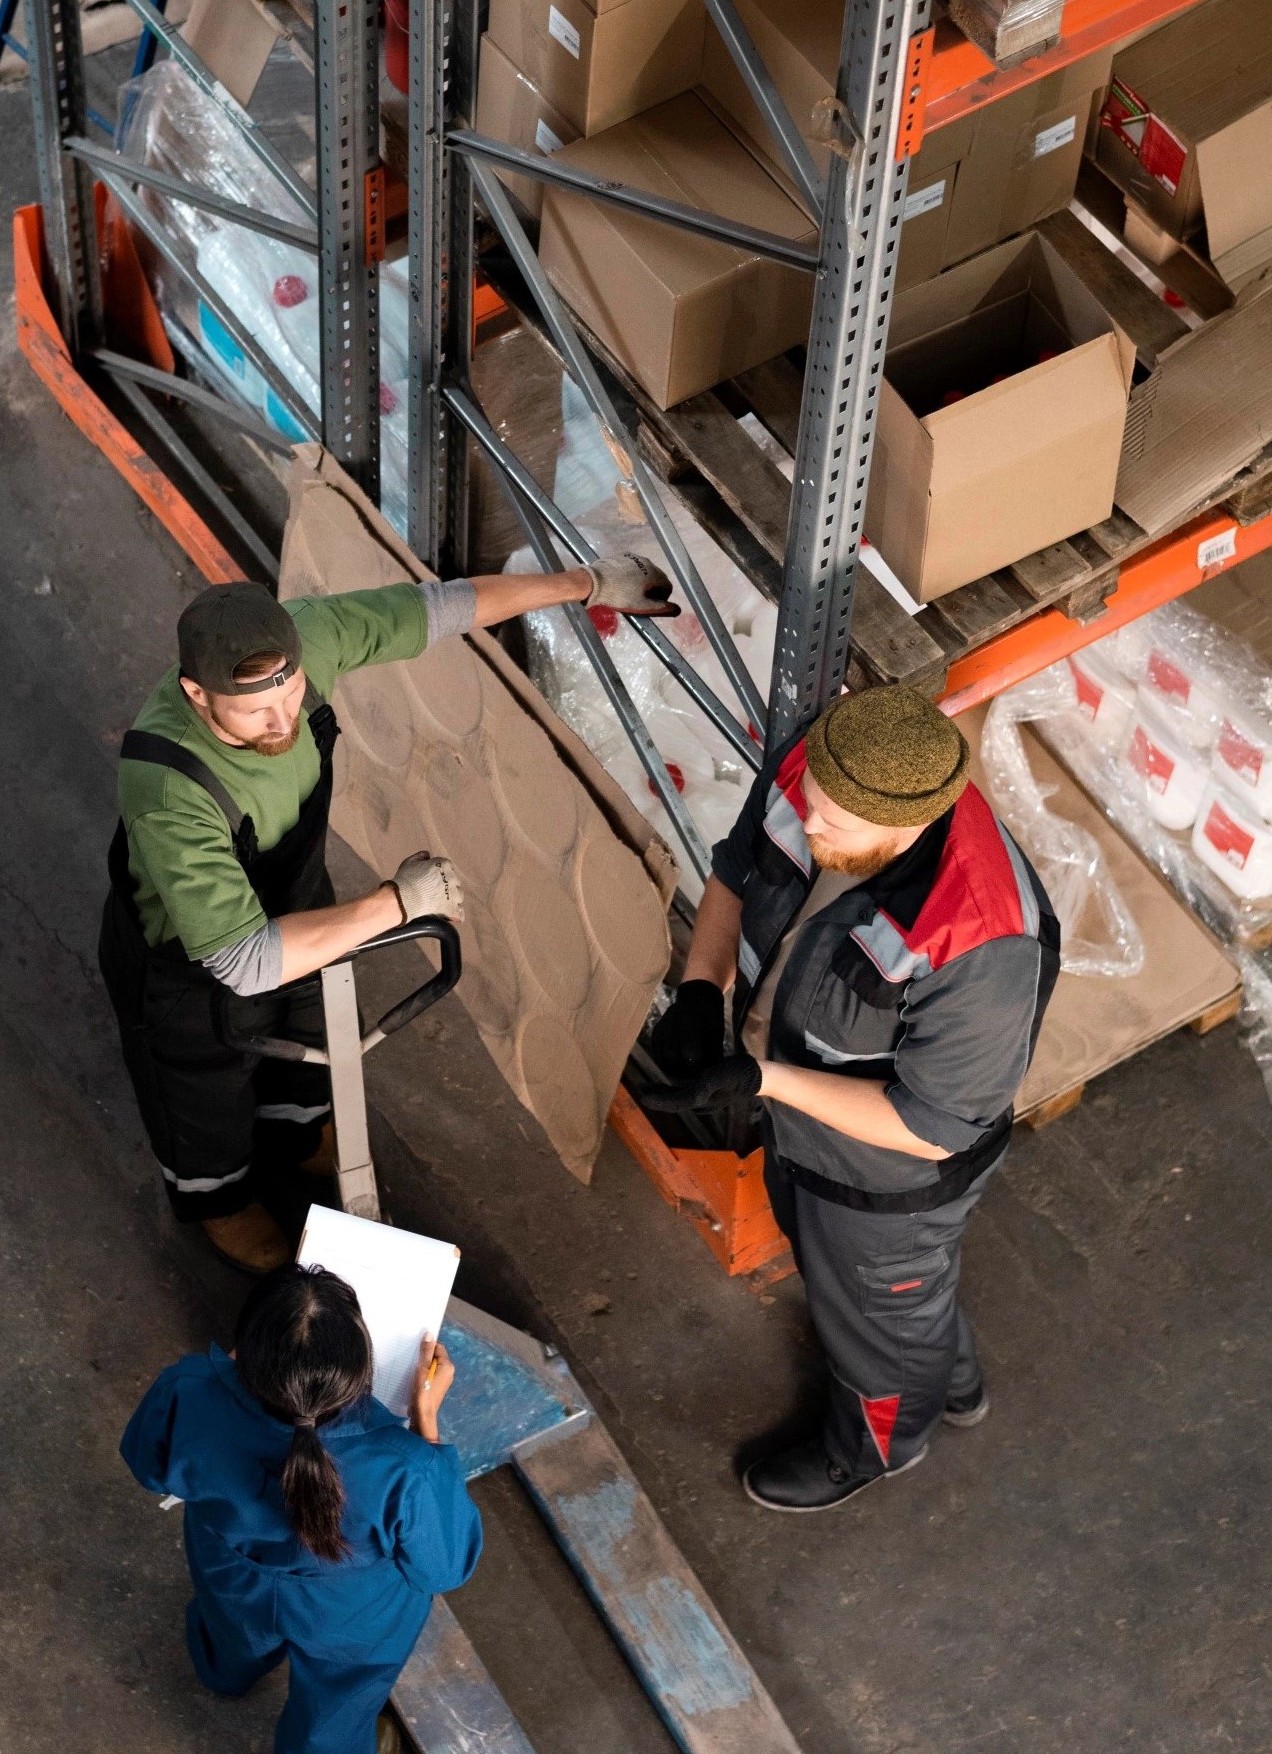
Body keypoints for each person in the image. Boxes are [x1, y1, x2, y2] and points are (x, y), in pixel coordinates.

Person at [100, 564, 678, 1275]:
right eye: (255, 712)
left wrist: (585, 584)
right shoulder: (166, 784)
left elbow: (440, 608)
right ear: (197, 694)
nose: (284, 721)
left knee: (307, 1033)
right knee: (202, 1091)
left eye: (291, 693)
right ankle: (219, 1198)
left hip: (293, 905)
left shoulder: (305, 638)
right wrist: (395, 903)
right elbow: (245, 961)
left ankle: (296, 1135)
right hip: (191, 966)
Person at [641, 683, 1059, 1516]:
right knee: (883, 1301)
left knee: (877, 1307)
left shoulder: (985, 936)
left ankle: (879, 1446)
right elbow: (737, 865)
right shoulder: (815, 768)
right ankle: (947, 1371)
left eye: (835, 822)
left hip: (885, 1181)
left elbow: (932, 1126)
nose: (810, 820)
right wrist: (699, 987)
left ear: (907, 825)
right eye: (809, 802)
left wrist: (763, 1079)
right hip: (800, 1131)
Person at [120, 1263, 482, 1754]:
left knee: (230, 1629)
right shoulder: (404, 1465)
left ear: (244, 1353)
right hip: (351, 1615)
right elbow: (445, 1565)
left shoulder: (188, 1390)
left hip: (231, 1571)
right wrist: (426, 1421)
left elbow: (147, 1463)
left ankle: (223, 1673)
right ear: (357, 1375)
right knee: (336, 1712)